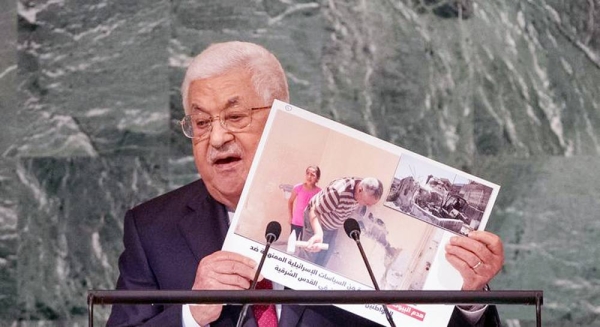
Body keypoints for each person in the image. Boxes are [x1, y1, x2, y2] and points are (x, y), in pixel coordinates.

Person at [107, 41, 504, 327]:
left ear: (282, 115)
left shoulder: (343, 218)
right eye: (202, 122)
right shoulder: (152, 229)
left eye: (235, 116)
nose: (217, 138)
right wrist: (191, 313)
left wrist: (468, 297)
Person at [299, 177, 383, 266]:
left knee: (323, 258)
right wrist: (318, 234)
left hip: (332, 225)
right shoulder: (337, 192)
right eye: (366, 203)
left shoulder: (363, 186)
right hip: (316, 222)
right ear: (360, 190)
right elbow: (314, 211)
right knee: (307, 258)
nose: (368, 206)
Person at [288, 166, 322, 240]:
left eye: (312, 175)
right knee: (292, 242)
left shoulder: (319, 192)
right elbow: (290, 201)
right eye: (307, 174)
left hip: (308, 225)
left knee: (304, 245)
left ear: (317, 178)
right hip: (296, 222)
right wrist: (291, 217)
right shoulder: (298, 188)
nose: (309, 177)